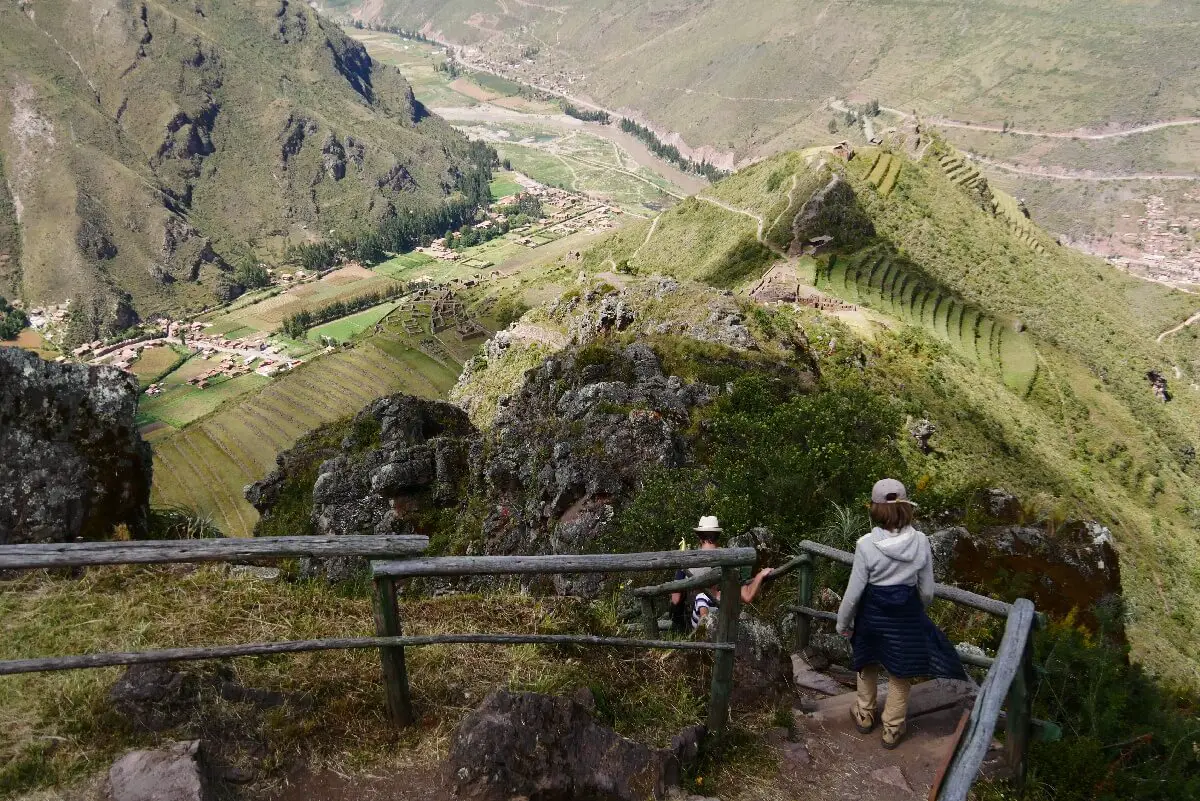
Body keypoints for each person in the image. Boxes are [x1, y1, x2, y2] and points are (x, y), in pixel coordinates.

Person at [835, 479, 967, 749]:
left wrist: (843, 623)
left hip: (871, 615)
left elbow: (854, 592)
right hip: (905, 615)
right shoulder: (920, 542)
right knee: (901, 671)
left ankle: (864, 714)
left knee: (867, 661)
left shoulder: (865, 544)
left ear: (875, 509)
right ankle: (892, 729)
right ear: (906, 507)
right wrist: (910, 609)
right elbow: (928, 591)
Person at [670, 516, 772, 632]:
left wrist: (679, 569)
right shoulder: (730, 559)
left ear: (699, 536)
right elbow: (747, 596)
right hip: (725, 622)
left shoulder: (687, 560)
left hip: (694, 623)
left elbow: (675, 599)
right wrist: (759, 576)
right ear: (718, 535)